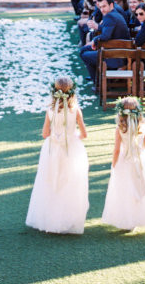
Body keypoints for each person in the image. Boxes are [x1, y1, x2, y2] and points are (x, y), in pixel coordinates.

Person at [25, 76, 89, 234]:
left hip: (52, 150)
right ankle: (68, 221)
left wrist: (57, 137)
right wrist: (72, 138)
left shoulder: (50, 111)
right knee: (70, 182)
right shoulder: (76, 110)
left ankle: (50, 221)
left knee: (51, 182)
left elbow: (45, 133)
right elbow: (84, 134)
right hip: (71, 150)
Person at [101, 97, 145, 230]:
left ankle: (128, 220)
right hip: (142, 161)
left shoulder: (120, 128)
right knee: (142, 188)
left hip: (125, 161)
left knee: (126, 190)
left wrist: (114, 165)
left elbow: (116, 150)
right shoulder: (142, 127)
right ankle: (139, 216)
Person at [80, 0, 130, 82]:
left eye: (104, 6)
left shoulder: (110, 16)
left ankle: (97, 81)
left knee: (84, 54)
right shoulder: (113, 14)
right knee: (83, 49)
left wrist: (94, 40)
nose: (102, 10)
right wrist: (98, 29)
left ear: (111, 5)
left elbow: (105, 36)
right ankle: (97, 77)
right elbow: (107, 29)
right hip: (117, 51)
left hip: (115, 56)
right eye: (100, 7)